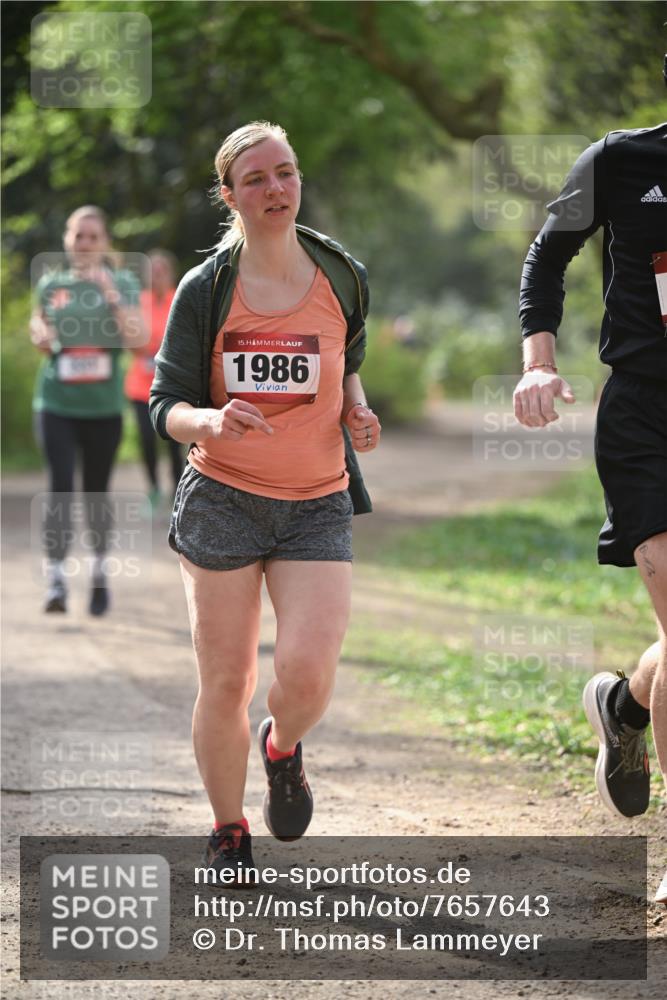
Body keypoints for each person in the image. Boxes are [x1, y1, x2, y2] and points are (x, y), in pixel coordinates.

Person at [149, 122, 380, 880]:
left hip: (316, 498)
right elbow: (165, 404)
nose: (275, 189)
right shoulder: (206, 289)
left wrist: (355, 407)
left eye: (285, 173)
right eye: (256, 179)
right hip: (222, 498)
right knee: (226, 681)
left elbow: (346, 357)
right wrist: (209, 418)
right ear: (230, 195)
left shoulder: (340, 273)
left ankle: (281, 748)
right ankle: (226, 829)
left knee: (308, 674)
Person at [513, 84, 666, 891]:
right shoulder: (621, 158)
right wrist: (538, 361)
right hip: (645, 415)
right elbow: (546, 253)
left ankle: (624, 709)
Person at [31, 205, 145, 615]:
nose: (85, 243)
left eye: (93, 237)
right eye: (78, 236)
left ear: (104, 243)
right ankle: (56, 580)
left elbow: (137, 340)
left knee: (96, 493)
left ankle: (99, 576)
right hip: (56, 401)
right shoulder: (51, 283)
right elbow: (39, 326)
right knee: (60, 487)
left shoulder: (124, 282)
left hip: (103, 406)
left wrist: (110, 293)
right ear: (67, 240)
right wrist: (40, 334)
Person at [125, 250, 183, 506]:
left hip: (173, 385)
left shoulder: (180, 298)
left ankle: (177, 491)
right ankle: (153, 488)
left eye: (162, 271)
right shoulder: (138, 301)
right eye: (153, 271)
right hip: (140, 387)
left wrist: (155, 346)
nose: (157, 276)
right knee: (147, 440)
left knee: (173, 440)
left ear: (170, 274)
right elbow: (133, 340)